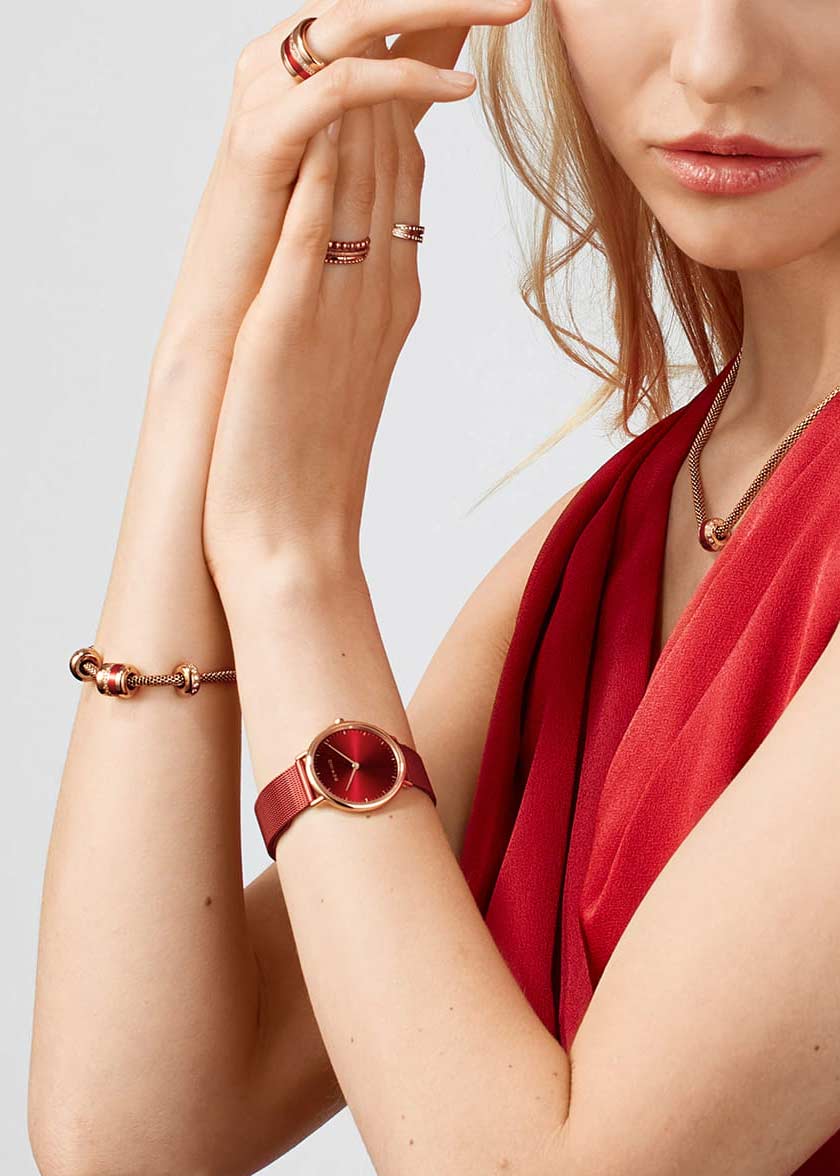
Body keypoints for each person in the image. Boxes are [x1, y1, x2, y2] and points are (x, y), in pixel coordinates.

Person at [28, 1, 840, 1173]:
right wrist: (207, 351)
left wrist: (293, 561)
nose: (717, 57)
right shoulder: (632, 529)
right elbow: (138, 1128)